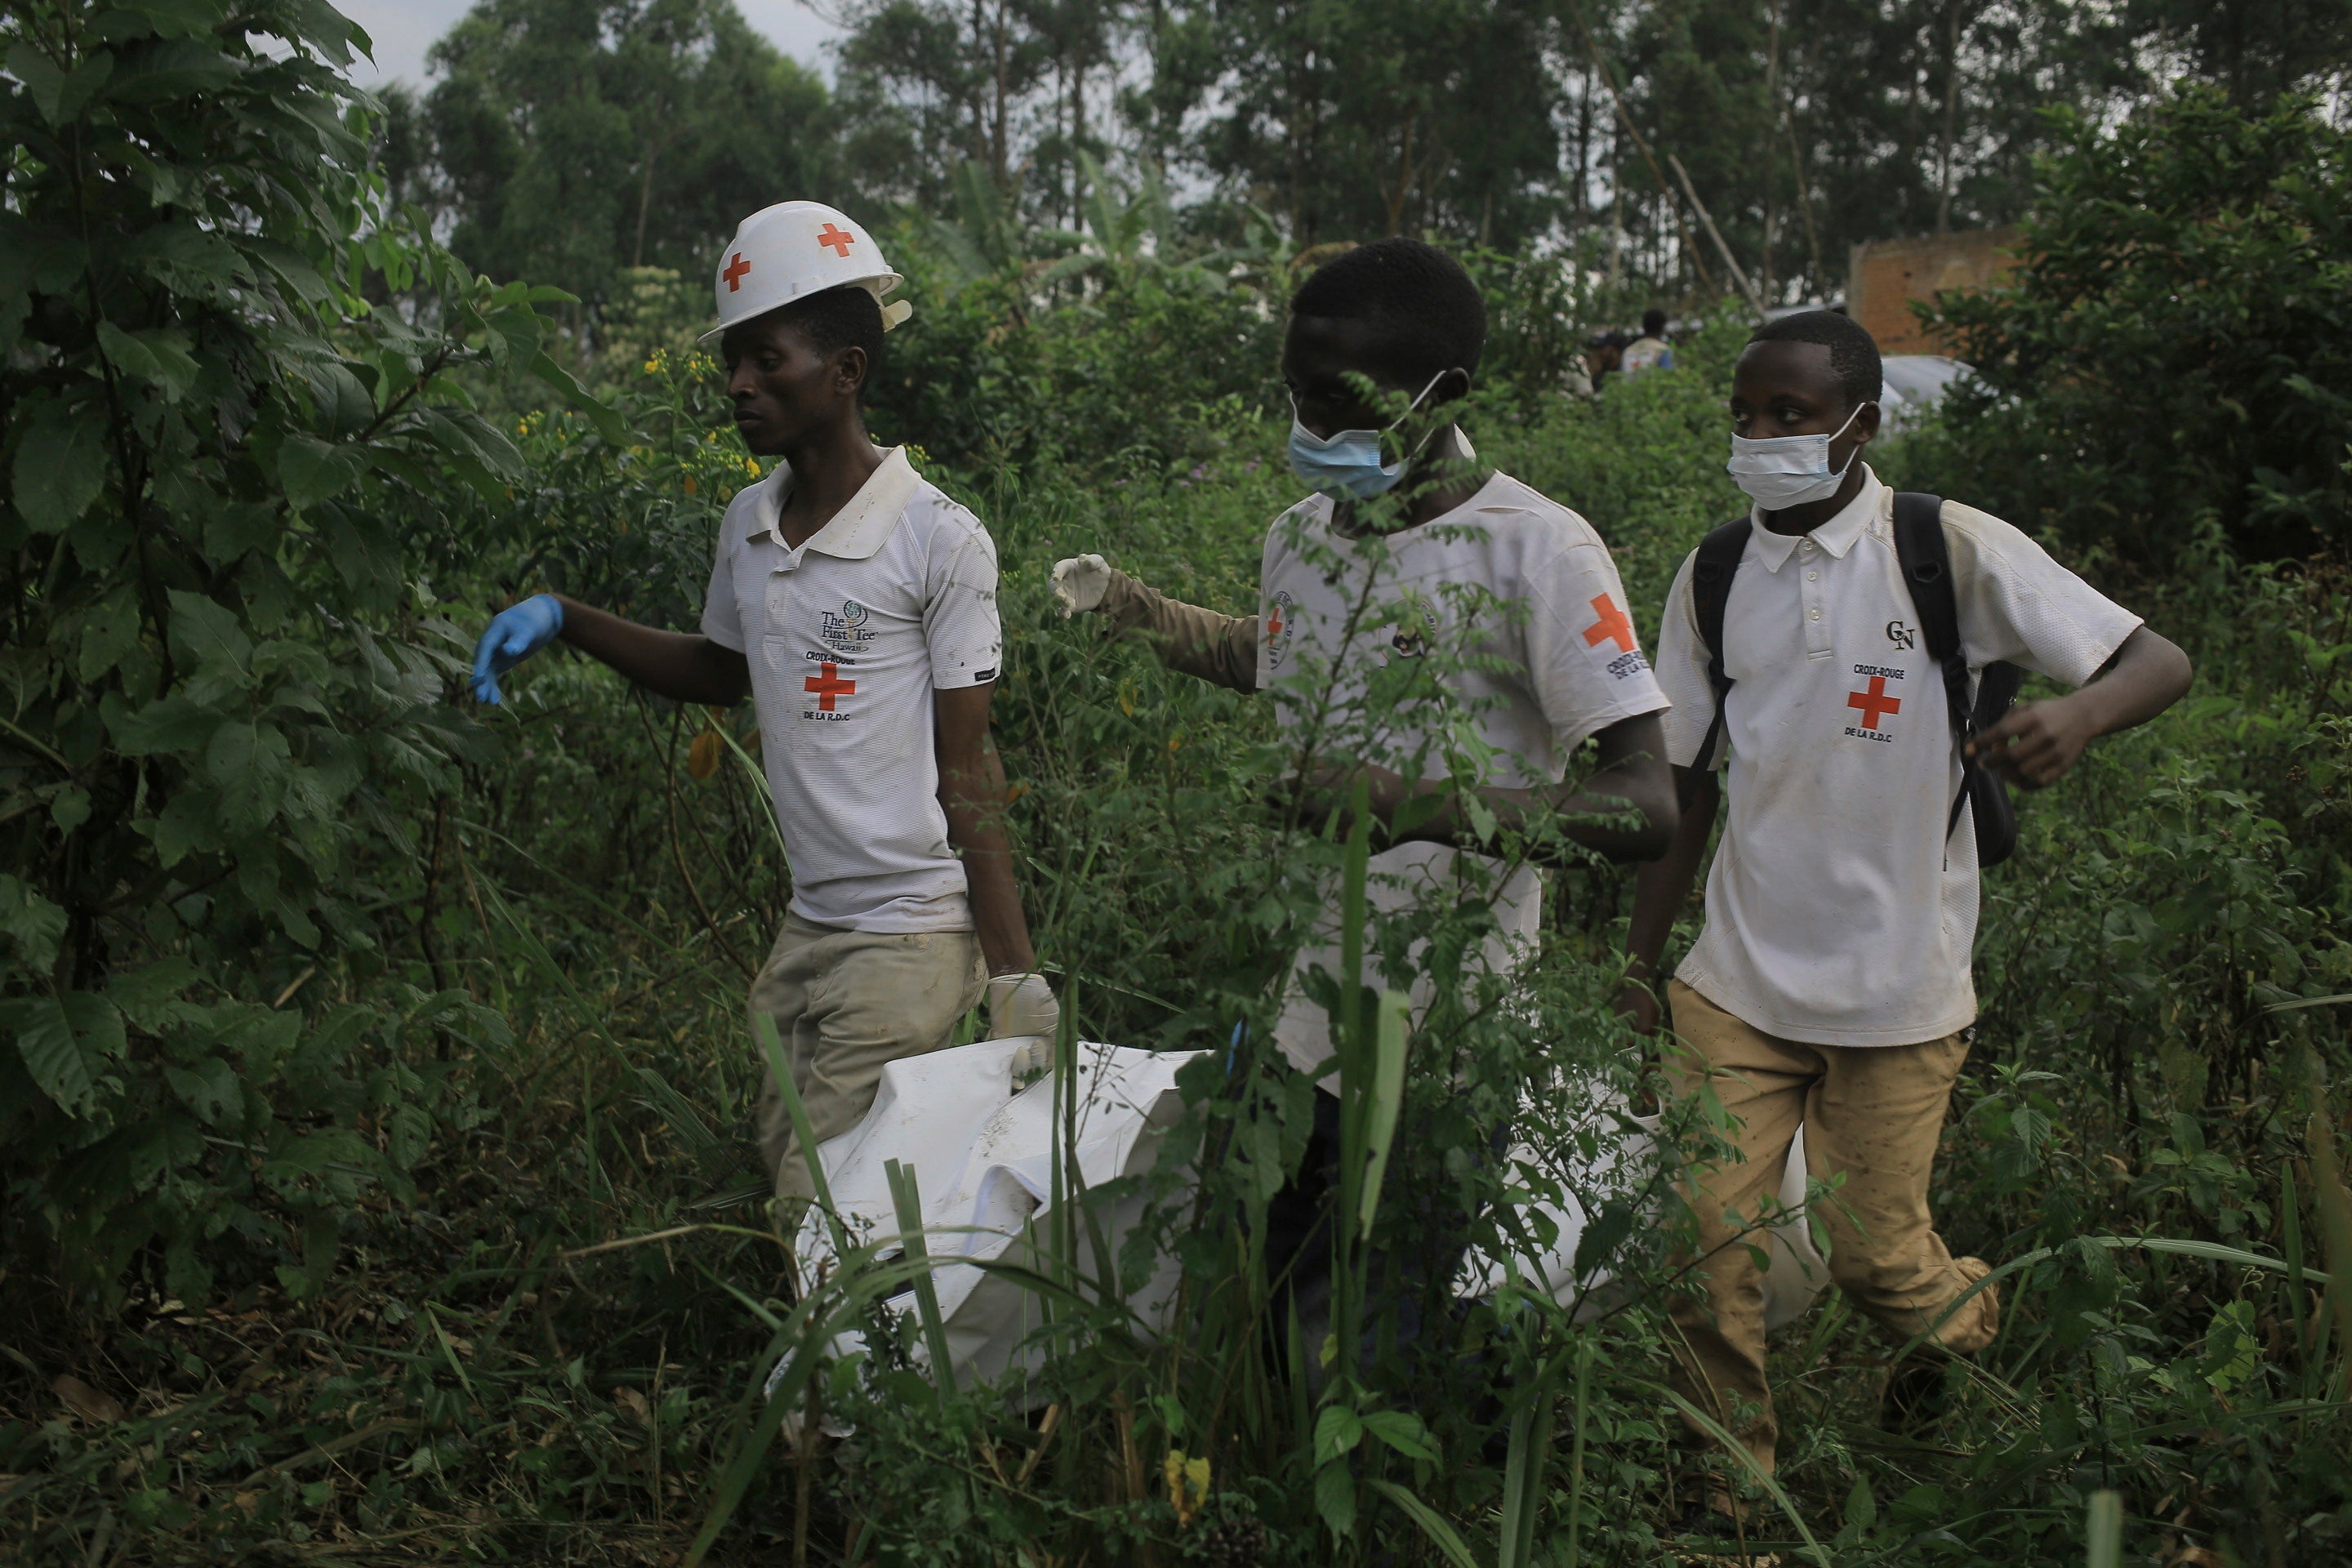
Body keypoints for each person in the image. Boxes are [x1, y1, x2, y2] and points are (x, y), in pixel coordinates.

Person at [1051, 237, 1679, 1381]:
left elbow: (1647, 805)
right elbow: (1282, 658)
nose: (1313, 427)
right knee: (1258, 1287)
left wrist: (1417, 807)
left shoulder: (1537, 552)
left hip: (1445, 1035)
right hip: (1293, 1014)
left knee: (1384, 1341)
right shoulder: (1297, 539)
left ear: (1448, 395)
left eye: (1344, 404)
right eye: (1297, 395)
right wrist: (1138, 612)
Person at [1619, 309, 2192, 1535]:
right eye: (1747, 415)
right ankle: (1735, 1490)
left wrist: (2078, 720)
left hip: (1899, 988)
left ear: (1861, 426)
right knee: (1699, 1244)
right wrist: (1636, 958)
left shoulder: (1947, 549)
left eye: (1794, 417)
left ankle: (1963, 1316)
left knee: (1879, 1261)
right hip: (1735, 980)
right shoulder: (1717, 574)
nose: (1763, 437)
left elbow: (2158, 661)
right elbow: (1684, 780)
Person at [469, 201, 1059, 1220]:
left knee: (819, 1210)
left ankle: (855, 1378)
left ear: (845, 374)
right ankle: (899, 1359)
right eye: (732, 362)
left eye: (767, 360)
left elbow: (971, 767)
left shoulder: (938, 539)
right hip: (812, 927)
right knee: (811, 1178)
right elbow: (720, 667)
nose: (740, 385)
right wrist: (563, 616)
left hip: (911, 935)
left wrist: (1015, 975)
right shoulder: (751, 521)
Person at [1619, 308, 1675, 376]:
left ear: (1643, 327)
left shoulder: (1628, 351)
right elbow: (1668, 380)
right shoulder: (1663, 351)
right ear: (1662, 327)